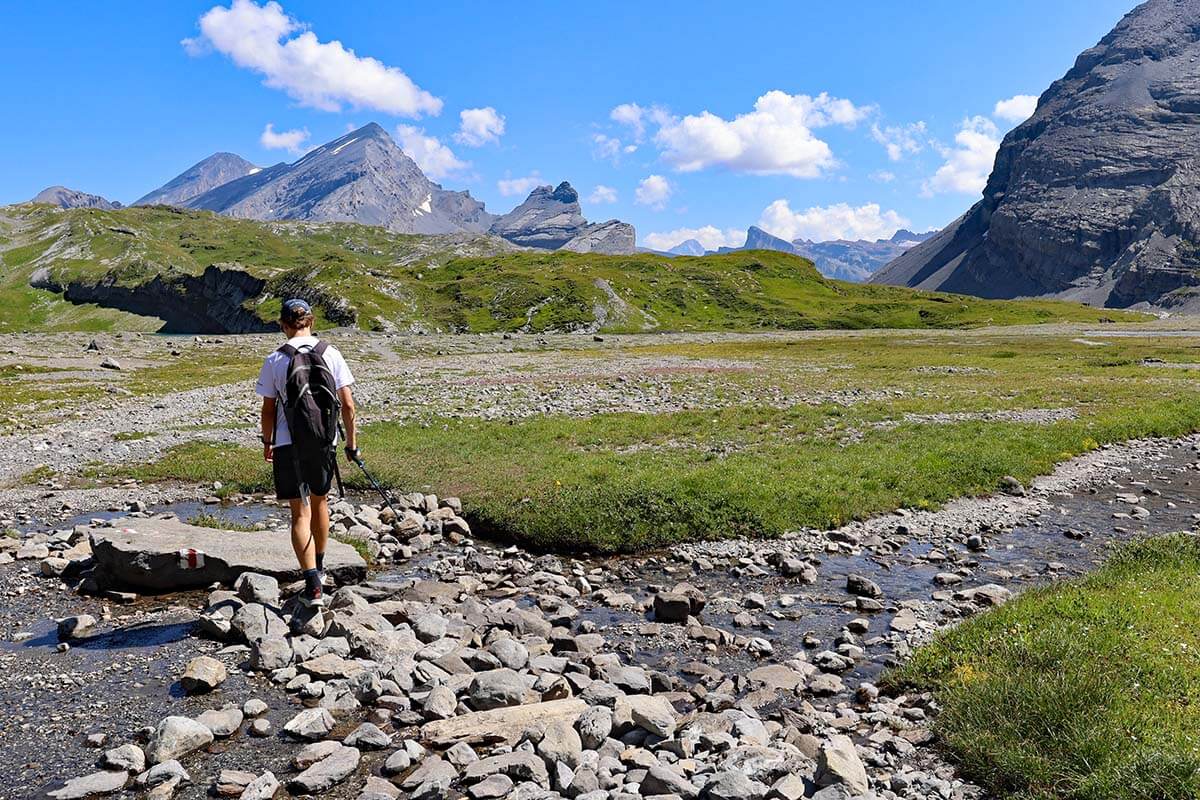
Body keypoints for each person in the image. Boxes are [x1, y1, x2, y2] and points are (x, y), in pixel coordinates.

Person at [256, 299, 358, 607]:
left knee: (299, 512)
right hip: (324, 442)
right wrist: (351, 444)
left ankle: (312, 585)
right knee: (320, 502)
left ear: (284, 325)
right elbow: (349, 405)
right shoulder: (331, 353)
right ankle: (322, 569)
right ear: (311, 321)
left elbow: (268, 409)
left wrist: (267, 441)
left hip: (289, 443)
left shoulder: (275, 359)